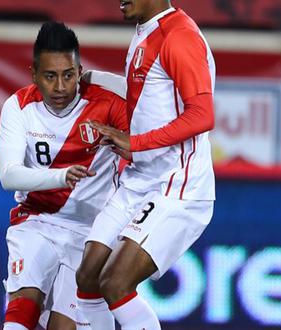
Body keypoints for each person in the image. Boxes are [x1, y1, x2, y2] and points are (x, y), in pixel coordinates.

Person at [74, 1, 216, 329]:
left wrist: (135, 142)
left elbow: (202, 114)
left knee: (115, 282)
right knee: (88, 276)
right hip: (140, 179)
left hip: (178, 185)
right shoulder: (145, 30)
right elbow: (148, 96)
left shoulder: (179, 36)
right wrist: (94, 80)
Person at [0, 22, 128, 330]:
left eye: (68, 75)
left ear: (79, 70)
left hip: (91, 234)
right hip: (36, 222)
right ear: (33, 74)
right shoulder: (18, 107)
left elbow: (150, 126)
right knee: (20, 316)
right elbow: (9, 176)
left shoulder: (107, 103)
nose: (59, 87)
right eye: (50, 76)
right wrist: (61, 176)